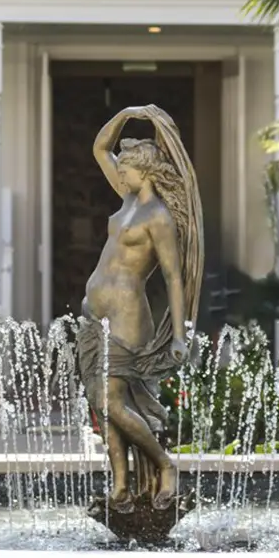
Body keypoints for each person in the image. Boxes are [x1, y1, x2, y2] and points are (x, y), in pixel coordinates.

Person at [76, 104, 203, 513]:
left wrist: (180, 334)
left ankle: (165, 467)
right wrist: (128, 114)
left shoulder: (159, 217)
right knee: (102, 401)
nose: (121, 174)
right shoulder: (128, 198)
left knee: (114, 401)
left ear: (145, 172)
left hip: (129, 315)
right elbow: (100, 147)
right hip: (94, 314)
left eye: (128, 170)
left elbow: (173, 278)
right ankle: (120, 486)